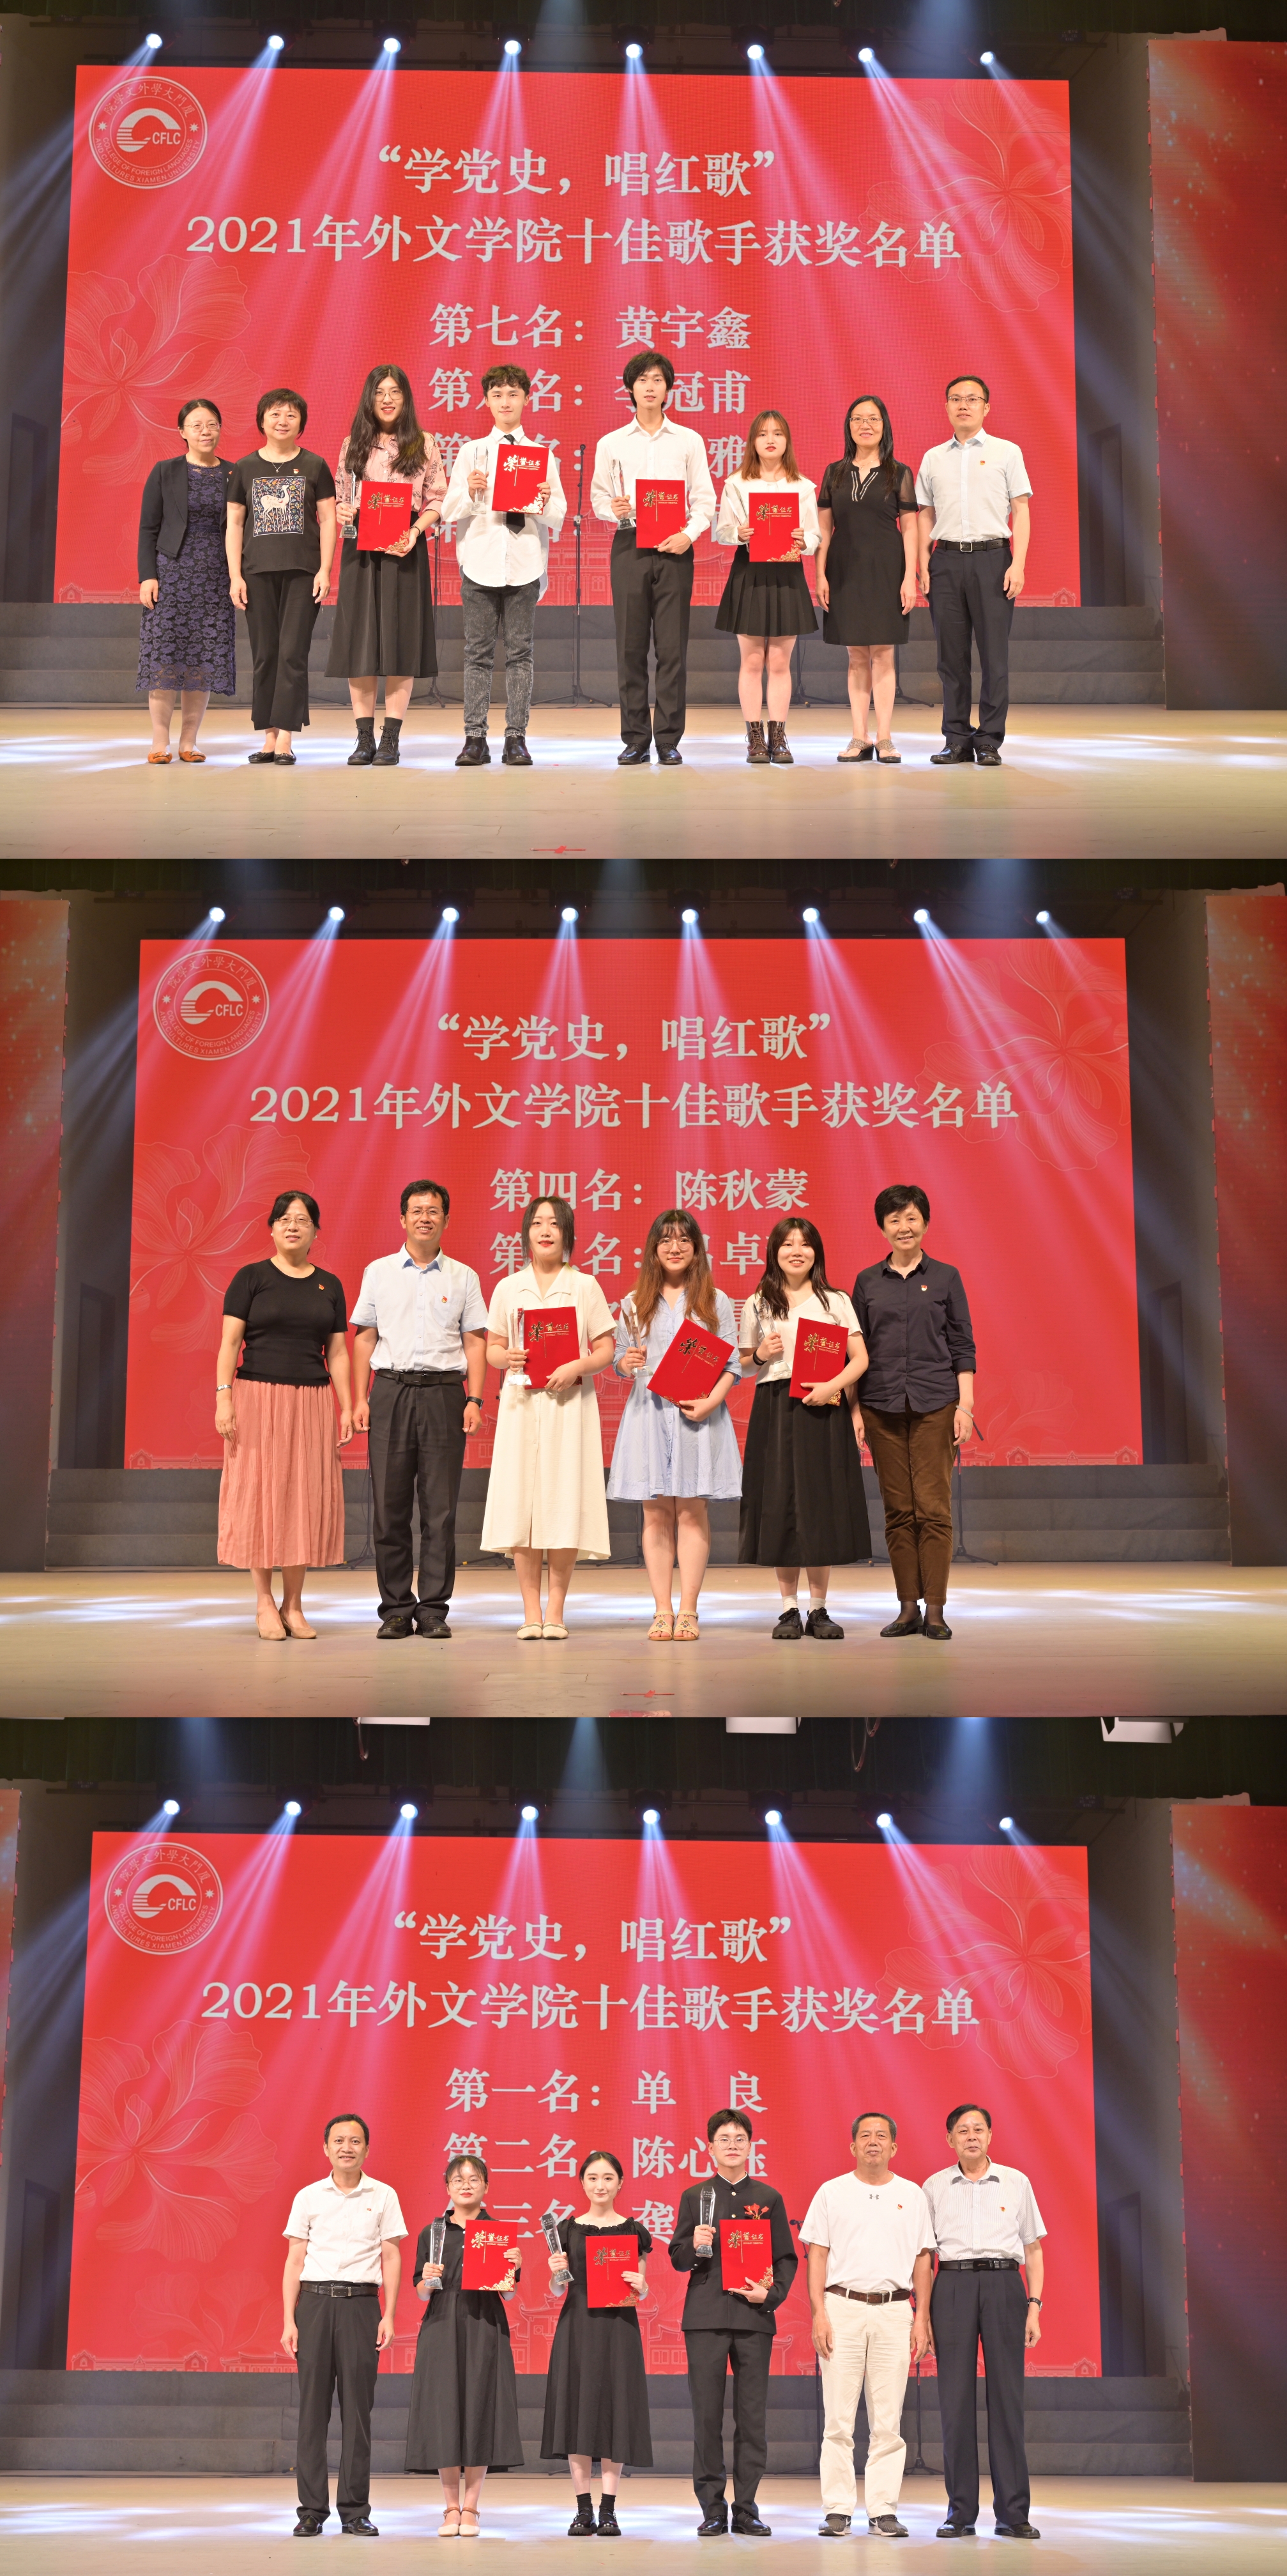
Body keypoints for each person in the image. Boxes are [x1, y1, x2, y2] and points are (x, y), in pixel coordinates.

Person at [351, 1177, 487, 1640]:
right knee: (389, 1508)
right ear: (402, 1218)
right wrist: (359, 1397)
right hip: (390, 1391)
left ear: (445, 1219)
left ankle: (432, 1609)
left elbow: (475, 1341)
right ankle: (394, 1609)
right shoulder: (379, 1272)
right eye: (417, 1210)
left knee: (440, 1510)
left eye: (433, 1211)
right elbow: (365, 1337)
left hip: (444, 1395)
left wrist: (474, 1398)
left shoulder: (464, 1276)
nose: (425, 1218)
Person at [215, 1190, 353, 1641]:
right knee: (260, 1495)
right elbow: (230, 1344)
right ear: (272, 1228)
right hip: (257, 1397)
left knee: (303, 1498)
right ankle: (263, 1602)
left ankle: (293, 1605)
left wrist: (347, 1405)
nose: (293, 1226)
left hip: (312, 1400)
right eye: (285, 1219)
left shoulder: (330, 1285)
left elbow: (337, 1352)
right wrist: (224, 1397)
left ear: (315, 1231)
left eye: (303, 1220)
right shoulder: (251, 1277)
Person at [482, 1197, 616, 1637]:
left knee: (562, 1501)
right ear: (526, 1232)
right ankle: (530, 1612)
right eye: (537, 1223)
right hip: (521, 1405)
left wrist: (577, 1365)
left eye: (554, 1224)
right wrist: (507, 1357)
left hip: (568, 1406)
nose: (545, 1230)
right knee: (521, 1503)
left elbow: (605, 1349)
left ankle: (555, 1611)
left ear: (567, 1234)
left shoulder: (585, 1286)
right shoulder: (508, 1287)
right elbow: (492, 1348)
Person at [607, 1209, 742, 1641]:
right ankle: (662, 1610)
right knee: (655, 1512)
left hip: (697, 1416)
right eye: (665, 1239)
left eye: (684, 1239)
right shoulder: (633, 1304)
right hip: (648, 1416)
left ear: (697, 1249)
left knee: (691, 1511)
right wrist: (626, 1363)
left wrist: (711, 1403)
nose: (675, 1247)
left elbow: (731, 1364)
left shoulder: (716, 1301)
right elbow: (619, 1358)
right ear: (653, 1250)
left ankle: (689, 1610)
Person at [852, 1185, 977, 1643]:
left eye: (911, 1218)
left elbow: (962, 1344)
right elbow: (856, 1350)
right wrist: (855, 1411)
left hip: (936, 1404)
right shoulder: (867, 1282)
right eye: (894, 1220)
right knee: (899, 1510)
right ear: (882, 1227)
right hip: (880, 1405)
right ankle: (908, 1606)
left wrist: (965, 1405)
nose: (903, 1228)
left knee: (933, 1509)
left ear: (924, 1222)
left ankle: (936, 1610)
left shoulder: (946, 1277)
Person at [801, 2112, 934, 2542]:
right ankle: (837, 2509)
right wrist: (819, 2312)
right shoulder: (832, 2192)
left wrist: (921, 2318)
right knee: (838, 2419)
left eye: (881, 2136)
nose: (873, 2142)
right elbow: (817, 2256)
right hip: (842, 2308)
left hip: (895, 2311)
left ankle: (883, 2510)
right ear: (853, 2146)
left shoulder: (911, 2195)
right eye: (865, 2136)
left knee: (888, 2420)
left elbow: (923, 2260)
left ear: (894, 2146)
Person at [668, 2106, 798, 2536]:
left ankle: (746, 2508)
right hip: (705, 2317)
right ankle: (712, 2509)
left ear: (750, 2146)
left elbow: (785, 2257)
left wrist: (770, 2295)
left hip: (753, 2316)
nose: (732, 2145)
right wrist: (694, 2243)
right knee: (706, 2417)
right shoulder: (695, 2196)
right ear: (710, 2148)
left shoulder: (768, 2197)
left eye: (739, 2139)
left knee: (751, 2418)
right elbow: (677, 2258)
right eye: (723, 2139)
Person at [738, 1217, 871, 1639]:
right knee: (780, 1503)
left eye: (805, 1244)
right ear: (774, 1252)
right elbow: (743, 1365)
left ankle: (818, 1609)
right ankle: (788, 1609)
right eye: (787, 1244)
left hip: (824, 1406)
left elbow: (860, 1359)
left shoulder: (835, 1301)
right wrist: (760, 1353)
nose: (797, 1251)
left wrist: (834, 1389)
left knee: (820, 1504)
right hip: (775, 1406)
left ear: (817, 1252)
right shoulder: (758, 1302)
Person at [281, 2112, 407, 2539]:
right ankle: (311, 2511)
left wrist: (389, 2314)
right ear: (326, 2148)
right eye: (339, 2141)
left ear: (366, 2149)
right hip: (314, 2305)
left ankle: (355, 2511)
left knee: (358, 2413)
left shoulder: (384, 2195)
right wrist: (289, 2319)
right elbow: (295, 2260)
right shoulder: (308, 2197)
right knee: (312, 2413)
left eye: (355, 2141)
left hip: (361, 2307)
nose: (346, 2148)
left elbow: (391, 2256)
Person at [922, 2105, 1046, 2540]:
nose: (971, 2136)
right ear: (950, 2140)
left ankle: (1013, 2514)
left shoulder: (1016, 2182)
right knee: (954, 2401)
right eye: (962, 2130)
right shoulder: (934, 2186)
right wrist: (922, 2315)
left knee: (1007, 2400)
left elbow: (1033, 2249)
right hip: (952, 2286)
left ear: (990, 2135)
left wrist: (1034, 2305)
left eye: (978, 2129)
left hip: (1004, 2285)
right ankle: (960, 2513)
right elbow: (925, 2255)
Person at [591, 349, 717, 766]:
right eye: (642, 379)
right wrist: (613, 509)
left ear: (668, 389)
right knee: (630, 647)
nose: (649, 386)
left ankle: (667, 739)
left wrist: (687, 535)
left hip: (675, 547)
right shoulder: (612, 443)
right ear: (629, 388)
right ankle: (634, 739)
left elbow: (704, 499)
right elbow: (598, 497)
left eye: (657, 380)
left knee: (671, 648)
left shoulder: (688, 440)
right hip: (630, 545)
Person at [439, 362, 565, 767]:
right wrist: (471, 492)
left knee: (520, 654)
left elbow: (559, 516)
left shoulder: (541, 456)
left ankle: (516, 738)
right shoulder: (471, 452)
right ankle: (474, 739)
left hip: (524, 563)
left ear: (527, 399)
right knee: (477, 654)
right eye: (497, 395)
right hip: (479, 562)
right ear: (486, 401)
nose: (505, 402)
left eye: (513, 394)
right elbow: (447, 511)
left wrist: (544, 502)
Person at [328, 364, 446, 767]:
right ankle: (364, 738)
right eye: (380, 392)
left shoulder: (425, 443)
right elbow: (342, 496)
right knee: (360, 641)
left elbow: (437, 498)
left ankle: (391, 739)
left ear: (406, 398)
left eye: (395, 391)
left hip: (404, 547)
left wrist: (414, 532)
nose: (388, 399)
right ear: (370, 398)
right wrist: (344, 510)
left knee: (400, 641)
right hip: (361, 548)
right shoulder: (353, 444)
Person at [915, 376, 1032, 767]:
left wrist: (1018, 563)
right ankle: (957, 739)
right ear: (946, 407)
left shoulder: (1007, 452)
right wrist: (923, 564)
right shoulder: (933, 457)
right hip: (946, 561)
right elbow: (925, 514)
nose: (963, 405)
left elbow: (1021, 511)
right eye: (956, 399)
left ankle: (989, 741)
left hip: (993, 560)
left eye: (972, 399)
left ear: (986, 407)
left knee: (994, 657)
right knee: (951, 659)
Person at [406, 2151, 523, 2534]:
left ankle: (471, 2508)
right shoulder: (433, 2232)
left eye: (474, 2179)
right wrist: (428, 2277)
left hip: (485, 2326)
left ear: (486, 2186)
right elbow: (422, 2293)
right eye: (458, 2180)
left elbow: (508, 2295)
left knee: (479, 2409)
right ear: (447, 2187)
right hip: (441, 2326)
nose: (466, 2185)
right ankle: (450, 2508)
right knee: (445, 2412)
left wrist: (513, 2267)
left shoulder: (498, 2233)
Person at [542, 2150, 653, 2534]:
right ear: (582, 2183)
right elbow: (557, 2290)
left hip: (619, 2329)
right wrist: (556, 2273)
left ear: (620, 2183)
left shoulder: (634, 2231)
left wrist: (643, 2286)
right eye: (592, 2178)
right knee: (578, 2411)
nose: (600, 2185)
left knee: (615, 2411)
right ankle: (582, 2509)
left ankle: (608, 2510)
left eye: (608, 2178)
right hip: (578, 2327)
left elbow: (640, 2289)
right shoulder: (567, 2230)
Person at [225, 387, 337, 764]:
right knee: (265, 654)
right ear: (262, 421)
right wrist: (235, 575)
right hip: (256, 573)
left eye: (291, 414)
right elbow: (234, 524)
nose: (282, 421)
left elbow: (329, 520)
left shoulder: (315, 465)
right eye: (275, 414)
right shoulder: (245, 468)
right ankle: (268, 737)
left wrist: (324, 570)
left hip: (303, 573)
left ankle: (286, 736)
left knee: (292, 653)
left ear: (301, 423)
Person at [816, 395, 919, 765]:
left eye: (873, 419)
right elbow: (824, 530)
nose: (865, 425)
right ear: (848, 426)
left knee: (884, 654)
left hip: (887, 570)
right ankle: (860, 737)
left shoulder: (899, 473)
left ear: (884, 426)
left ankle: (885, 738)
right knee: (857, 656)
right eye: (858, 419)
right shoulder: (834, 473)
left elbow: (910, 529)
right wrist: (820, 574)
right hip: (844, 570)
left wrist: (910, 577)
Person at [713, 408, 819, 766]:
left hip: (787, 575)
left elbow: (815, 537)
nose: (770, 440)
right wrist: (738, 533)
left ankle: (779, 736)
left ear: (787, 441)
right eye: (762, 434)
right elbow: (721, 531)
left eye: (777, 433)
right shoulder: (736, 484)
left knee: (779, 661)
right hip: (750, 574)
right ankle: (755, 737)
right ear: (753, 442)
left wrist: (805, 540)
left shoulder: (803, 486)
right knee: (753, 659)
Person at [136, 397, 235, 763]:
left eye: (211, 424)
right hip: (171, 574)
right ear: (182, 432)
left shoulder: (234, 474)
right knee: (165, 657)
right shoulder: (165, 471)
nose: (205, 431)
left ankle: (189, 742)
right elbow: (148, 529)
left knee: (202, 661)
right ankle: (159, 742)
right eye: (196, 425)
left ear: (220, 429)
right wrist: (148, 576)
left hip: (216, 577)